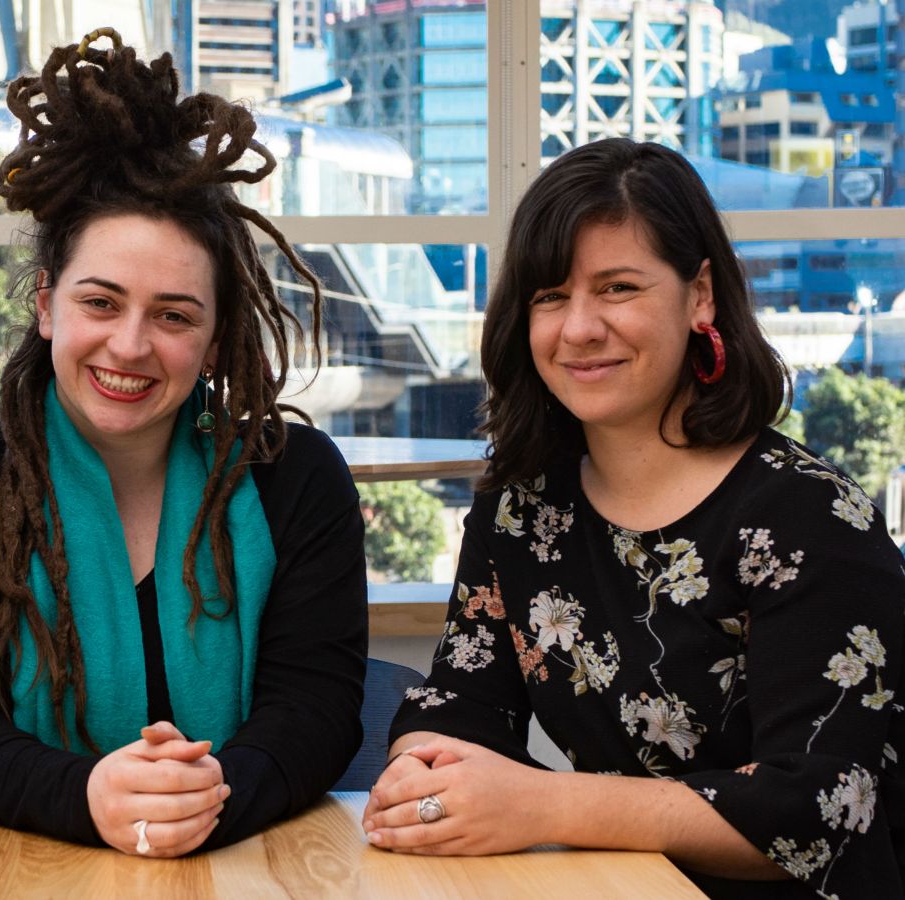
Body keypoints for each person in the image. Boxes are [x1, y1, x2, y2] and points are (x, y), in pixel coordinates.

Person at [0, 29, 367, 858]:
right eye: (101, 303)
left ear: (213, 342)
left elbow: (314, 709)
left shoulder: (297, 480)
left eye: (173, 315)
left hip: (242, 866)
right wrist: (89, 797)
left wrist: (199, 800)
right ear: (46, 305)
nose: (130, 347)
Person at [364, 138, 905, 897]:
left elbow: (811, 811)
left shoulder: (813, 518)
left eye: (617, 288)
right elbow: (464, 698)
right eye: (550, 296)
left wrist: (541, 803)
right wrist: (426, 771)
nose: (578, 328)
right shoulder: (523, 503)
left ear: (702, 295)